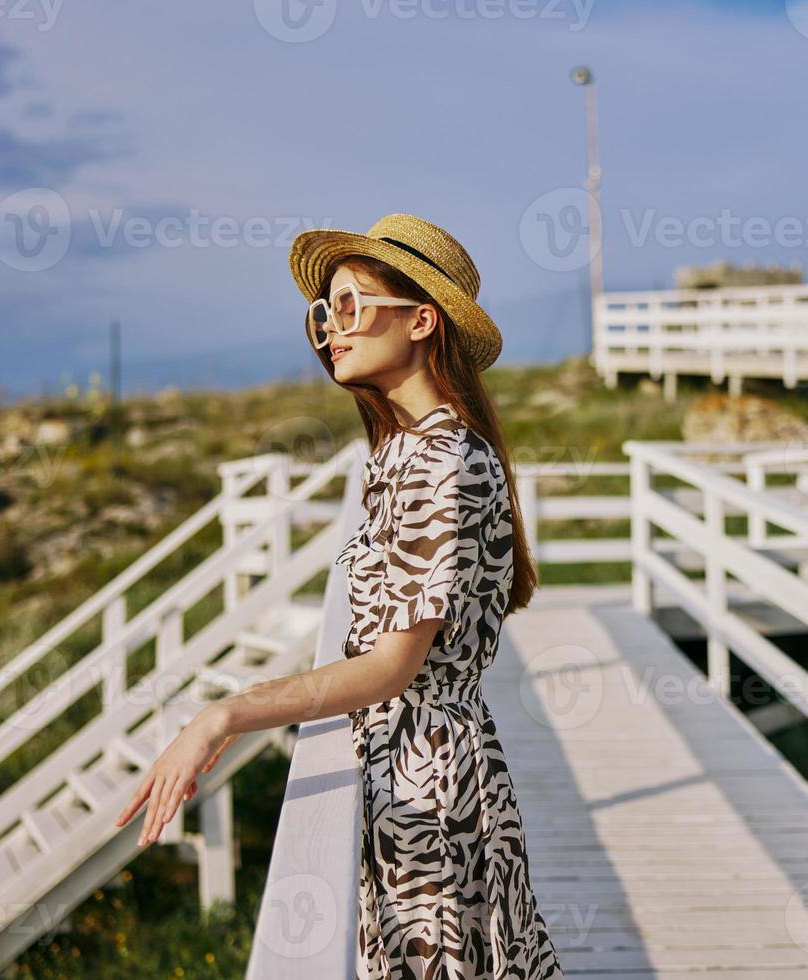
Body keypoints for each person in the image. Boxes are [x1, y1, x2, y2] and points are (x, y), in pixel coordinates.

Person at [115, 213, 566, 980]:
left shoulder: (443, 458)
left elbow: (392, 668)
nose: (332, 331)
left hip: (429, 788)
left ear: (422, 321)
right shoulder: (404, 452)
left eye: (351, 307)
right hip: (408, 768)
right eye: (322, 315)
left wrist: (225, 714)